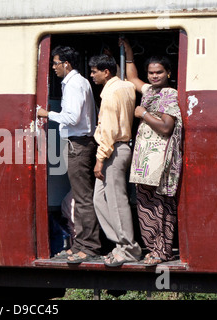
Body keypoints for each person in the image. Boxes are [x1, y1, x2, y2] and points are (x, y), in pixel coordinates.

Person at [120, 38, 183, 266]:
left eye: (159, 72)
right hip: (146, 160)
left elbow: (167, 127)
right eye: (151, 72)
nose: (154, 76)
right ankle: (153, 249)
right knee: (147, 205)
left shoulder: (168, 94)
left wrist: (143, 114)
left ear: (168, 73)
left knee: (160, 206)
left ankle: (162, 251)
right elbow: (133, 78)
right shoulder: (149, 91)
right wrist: (127, 52)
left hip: (160, 160)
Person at [37, 46, 101, 264]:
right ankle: (81, 245)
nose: (53, 67)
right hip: (81, 144)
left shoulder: (74, 84)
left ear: (66, 64)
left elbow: (72, 118)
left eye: (55, 63)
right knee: (81, 196)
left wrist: (47, 114)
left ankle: (89, 246)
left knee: (82, 198)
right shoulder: (80, 82)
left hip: (79, 145)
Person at [89, 54, 142, 267]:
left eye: (94, 71)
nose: (92, 75)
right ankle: (122, 243)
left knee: (117, 202)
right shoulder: (127, 86)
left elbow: (109, 130)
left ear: (106, 72)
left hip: (112, 151)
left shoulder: (110, 93)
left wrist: (100, 159)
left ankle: (128, 248)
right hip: (119, 149)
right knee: (99, 200)